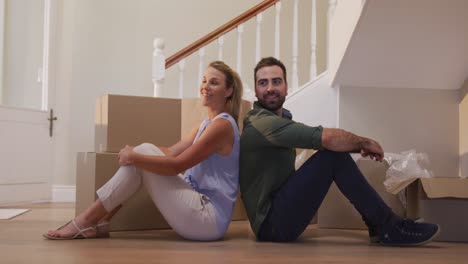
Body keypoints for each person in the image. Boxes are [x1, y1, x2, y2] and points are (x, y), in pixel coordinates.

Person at [239, 57, 440, 246]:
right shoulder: (261, 123)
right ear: (256, 91)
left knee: (331, 155)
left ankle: (382, 225)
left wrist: (355, 144)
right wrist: (364, 143)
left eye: (276, 81)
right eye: (263, 83)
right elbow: (326, 138)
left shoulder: (280, 121)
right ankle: (388, 227)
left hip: (278, 215)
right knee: (331, 156)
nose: (270, 88)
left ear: (286, 87)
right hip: (271, 226)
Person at [44, 61, 243, 241]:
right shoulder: (205, 124)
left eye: (214, 83)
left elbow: (177, 166)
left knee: (141, 156)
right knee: (144, 152)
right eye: (204, 80)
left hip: (207, 219)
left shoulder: (222, 126)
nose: (205, 87)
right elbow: (171, 151)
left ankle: (87, 220)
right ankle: (96, 220)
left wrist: (135, 157)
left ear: (228, 91)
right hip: (196, 203)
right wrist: (136, 152)